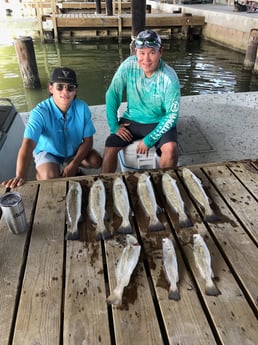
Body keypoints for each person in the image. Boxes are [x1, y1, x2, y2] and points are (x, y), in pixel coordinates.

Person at [2, 67, 102, 188]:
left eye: (70, 87)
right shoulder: (39, 112)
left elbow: (88, 140)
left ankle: (73, 168)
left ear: (75, 90)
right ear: (51, 88)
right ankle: (41, 173)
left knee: (96, 161)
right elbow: (28, 144)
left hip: (73, 149)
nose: (65, 92)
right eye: (60, 87)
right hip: (49, 151)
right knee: (49, 177)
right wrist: (20, 176)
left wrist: (74, 164)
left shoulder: (82, 107)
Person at [101, 29, 180, 173]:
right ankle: (106, 185)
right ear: (135, 52)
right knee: (110, 147)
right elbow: (112, 94)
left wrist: (149, 140)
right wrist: (114, 126)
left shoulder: (169, 77)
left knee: (171, 150)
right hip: (133, 120)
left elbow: (172, 115)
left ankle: (167, 183)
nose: (146, 59)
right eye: (142, 53)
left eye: (152, 52)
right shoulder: (128, 65)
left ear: (160, 52)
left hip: (159, 121)